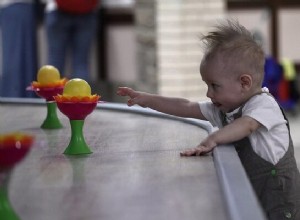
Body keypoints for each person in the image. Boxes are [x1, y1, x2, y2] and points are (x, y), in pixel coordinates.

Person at [117, 19, 300, 220]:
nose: (208, 93)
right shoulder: (224, 108)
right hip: (254, 195)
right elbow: (185, 106)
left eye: (214, 85)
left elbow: (247, 125)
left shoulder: (263, 105)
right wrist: (148, 99)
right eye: (207, 85)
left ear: (244, 83)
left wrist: (213, 138)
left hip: (281, 202)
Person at [43, 0, 99, 81]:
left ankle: (52, 93)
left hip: (56, 11)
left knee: (55, 62)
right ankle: (80, 93)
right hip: (87, 12)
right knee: (81, 64)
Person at [0, 0, 38, 97]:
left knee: (15, 55)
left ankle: (14, 95)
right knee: (21, 56)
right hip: (19, 7)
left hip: (12, 8)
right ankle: (16, 95)